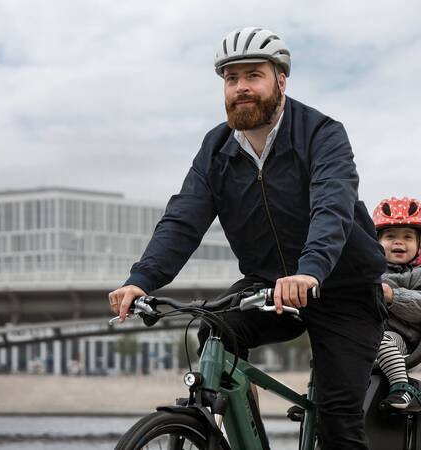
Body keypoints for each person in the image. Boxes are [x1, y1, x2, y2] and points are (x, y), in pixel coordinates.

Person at [108, 26, 386, 449]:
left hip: (341, 288)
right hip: (268, 287)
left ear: (281, 80)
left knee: (339, 423)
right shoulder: (216, 149)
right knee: (217, 332)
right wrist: (141, 279)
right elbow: (184, 219)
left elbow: (332, 209)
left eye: (253, 75)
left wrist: (310, 272)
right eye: (231, 78)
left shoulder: (322, 134)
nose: (241, 87)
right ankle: (243, 435)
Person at [372, 197, 421, 410]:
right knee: (331, 343)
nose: (398, 242)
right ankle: (322, 401)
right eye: (390, 236)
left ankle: (402, 387)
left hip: (400, 336)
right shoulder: (367, 271)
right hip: (364, 332)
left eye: (407, 237)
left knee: (380, 340)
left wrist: (392, 296)